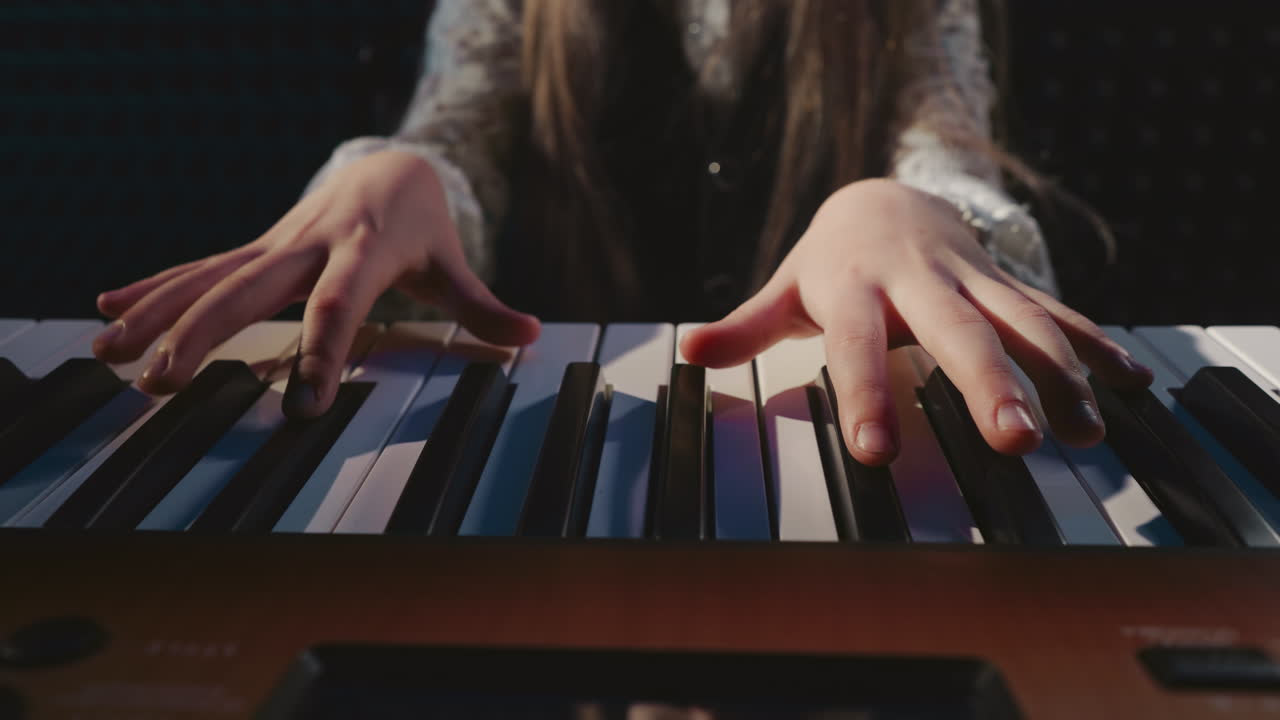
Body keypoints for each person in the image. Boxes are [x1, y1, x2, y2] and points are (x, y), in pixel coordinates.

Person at [90, 0, 1152, 468]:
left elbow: (944, 147)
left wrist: (906, 212)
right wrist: (403, 175)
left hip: (836, 435)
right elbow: (458, 128)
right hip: (566, 435)